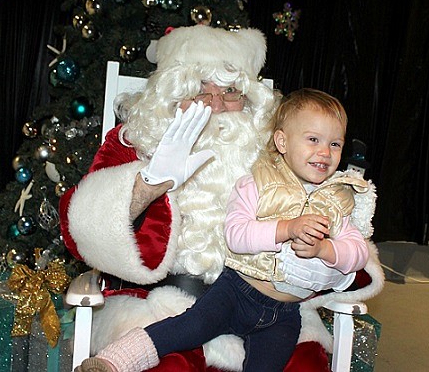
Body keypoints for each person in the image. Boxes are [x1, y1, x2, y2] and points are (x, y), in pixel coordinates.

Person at [60, 25, 385, 372]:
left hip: (274, 304)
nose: (216, 105)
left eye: (231, 91)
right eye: (200, 88)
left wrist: (325, 253)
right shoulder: (135, 140)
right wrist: (149, 184)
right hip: (157, 305)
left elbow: (348, 248)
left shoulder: (283, 159)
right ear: (170, 94)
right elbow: (79, 232)